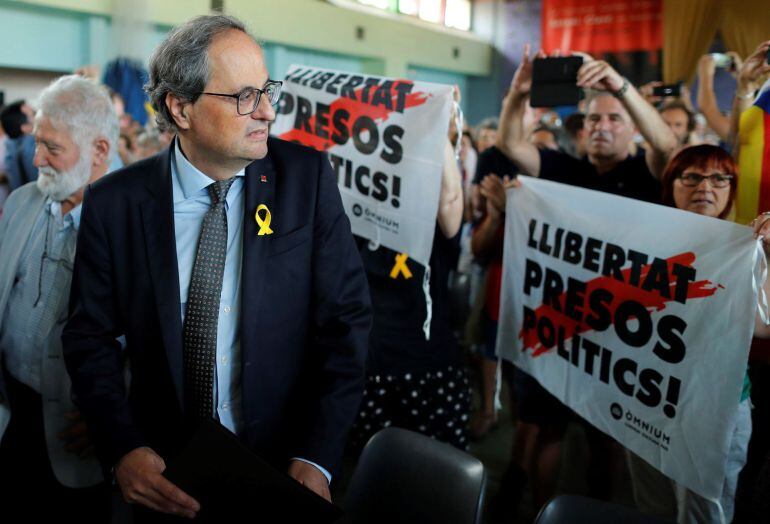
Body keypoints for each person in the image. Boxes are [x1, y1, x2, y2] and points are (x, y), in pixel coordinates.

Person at [62, 14, 371, 520]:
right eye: (244, 96)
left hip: (282, 466)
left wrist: (317, 454)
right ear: (179, 107)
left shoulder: (305, 179)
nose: (268, 111)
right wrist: (121, 447)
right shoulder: (115, 204)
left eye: (267, 90)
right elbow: (89, 337)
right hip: (164, 473)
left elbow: (346, 323)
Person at [627, 144, 770, 524]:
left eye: (719, 177)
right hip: (646, 395)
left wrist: (768, 257)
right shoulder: (643, 242)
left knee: (704, 514)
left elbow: (762, 326)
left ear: (731, 190)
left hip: (715, 408)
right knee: (652, 506)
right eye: (691, 176)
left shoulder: (746, 247)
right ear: (670, 185)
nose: (705, 186)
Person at [0, 75, 118, 521]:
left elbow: (152, 340)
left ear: (99, 152)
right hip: (10, 412)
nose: (36, 159)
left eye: (52, 148)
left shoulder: (134, 223)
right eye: (36, 143)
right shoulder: (21, 202)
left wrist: (112, 416)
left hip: (75, 432)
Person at [349, 139, 469, 452]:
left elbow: (452, 198)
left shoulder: (433, 224)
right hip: (369, 373)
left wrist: (437, 126)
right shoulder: (354, 222)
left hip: (429, 373)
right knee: (373, 476)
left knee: (436, 480)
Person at [497, 45, 679, 201]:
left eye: (614, 119)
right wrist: (517, 93)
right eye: (594, 119)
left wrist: (620, 86)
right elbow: (511, 145)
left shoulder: (646, 171)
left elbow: (666, 146)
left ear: (633, 130)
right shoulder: (564, 169)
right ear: (583, 127)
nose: (601, 127)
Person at [0, 100, 37, 191]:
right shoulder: (31, 148)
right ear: (25, 127)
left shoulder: (10, 146)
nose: (39, 116)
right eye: (33, 114)